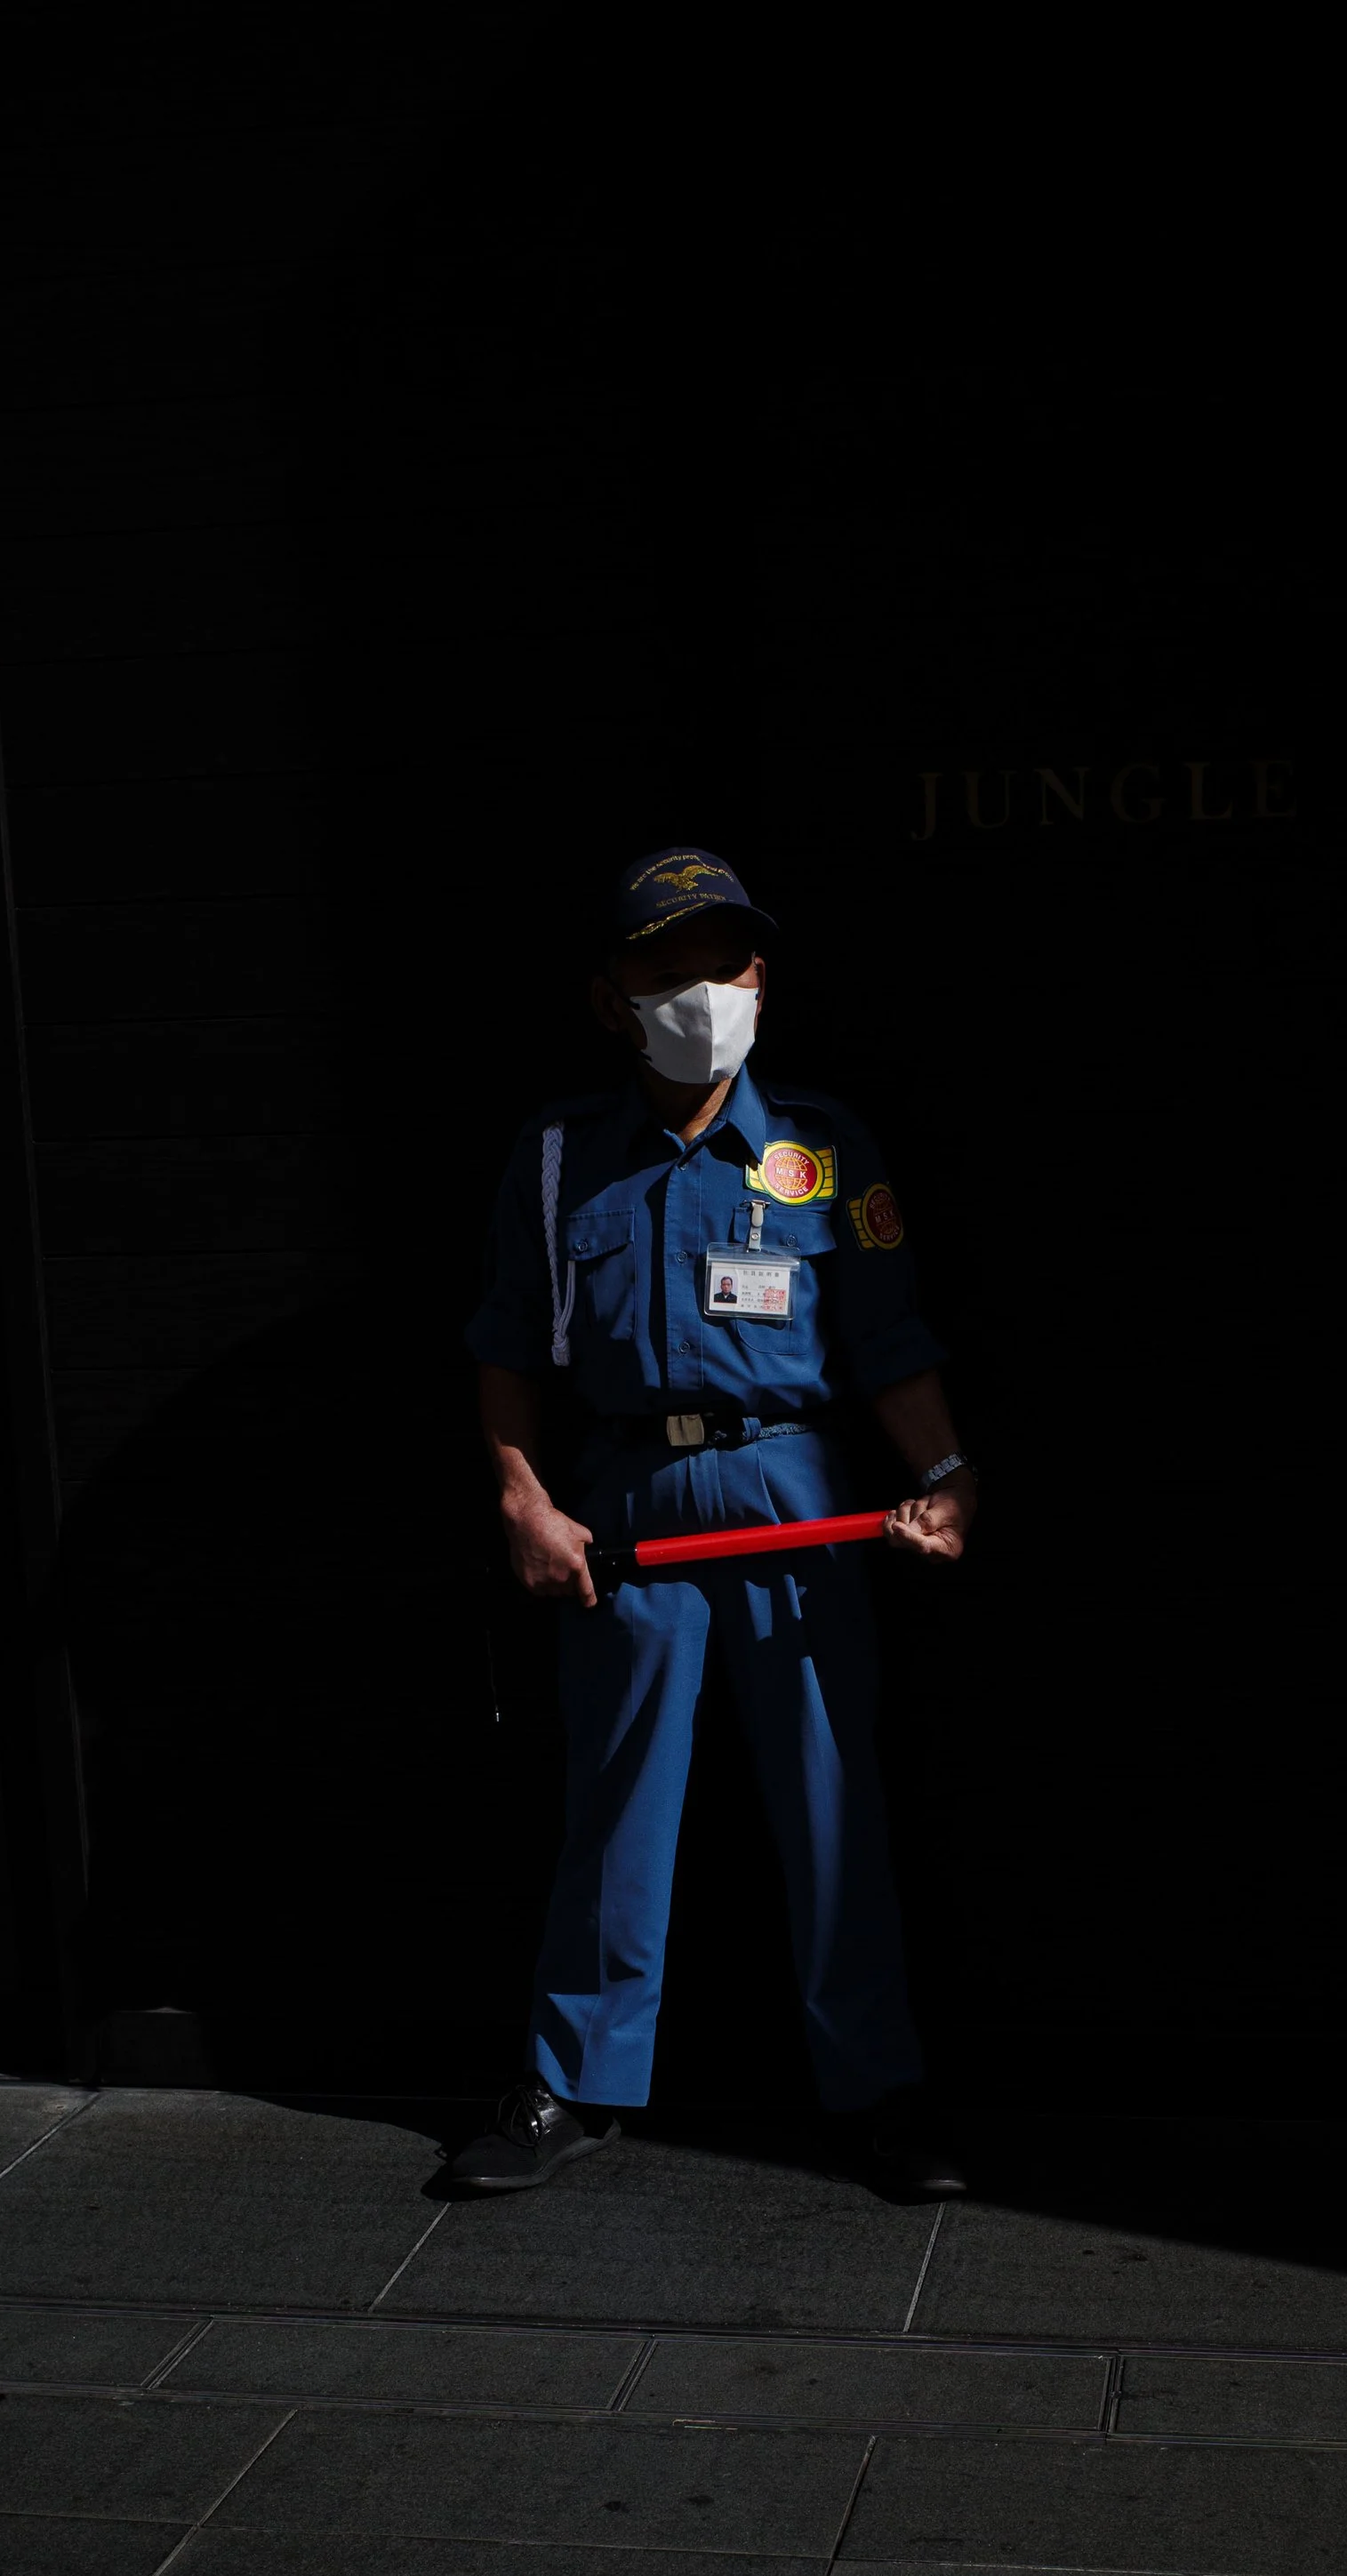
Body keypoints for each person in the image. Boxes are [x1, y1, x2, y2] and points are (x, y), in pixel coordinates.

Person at [455, 844, 977, 2197]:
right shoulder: (563, 1157)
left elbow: (891, 1338)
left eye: (725, 964)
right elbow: (508, 1343)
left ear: (761, 979)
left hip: (797, 1491)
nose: (702, 991)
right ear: (610, 996)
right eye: (666, 968)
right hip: (626, 1502)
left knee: (830, 1803)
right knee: (615, 1804)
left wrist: (947, 1474)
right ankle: (574, 2079)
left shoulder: (820, 1145)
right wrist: (526, 1501)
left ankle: (877, 2092)